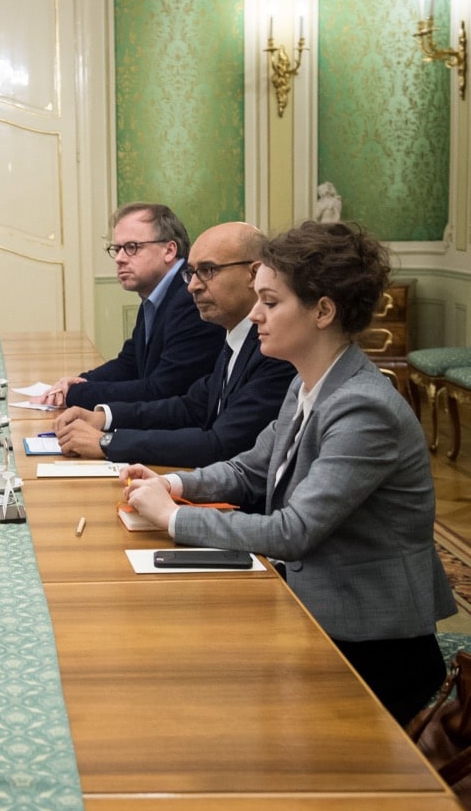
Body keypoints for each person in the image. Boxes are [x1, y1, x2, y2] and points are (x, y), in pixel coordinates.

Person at [122, 221, 455, 724]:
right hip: (315, 609)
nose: (255, 315)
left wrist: (173, 518)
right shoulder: (309, 382)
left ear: (323, 311)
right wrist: (175, 483)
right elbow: (251, 468)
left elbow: (293, 531)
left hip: (372, 645)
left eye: (271, 302)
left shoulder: (364, 407)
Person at [52, 222, 296, 476]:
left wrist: (107, 442)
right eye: (191, 272)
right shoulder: (236, 336)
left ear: (253, 275)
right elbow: (190, 407)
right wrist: (104, 418)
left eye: (208, 270)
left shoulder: (275, 349)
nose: (193, 286)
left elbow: (221, 445)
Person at [36, 203, 224, 409]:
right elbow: (130, 363)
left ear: (169, 250)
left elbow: (163, 390)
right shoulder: (157, 292)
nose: (119, 259)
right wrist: (79, 381)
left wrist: (77, 393)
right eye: (117, 249)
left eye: (131, 248)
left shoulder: (190, 298)